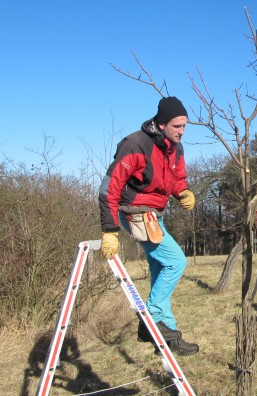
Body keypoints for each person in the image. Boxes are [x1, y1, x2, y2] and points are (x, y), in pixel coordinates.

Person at [99, 96, 199, 356]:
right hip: (135, 213)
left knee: (160, 272)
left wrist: (183, 192)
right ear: (162, 123)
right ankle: (150, 321)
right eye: (177, 126)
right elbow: (109, 189)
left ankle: (167, 337)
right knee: (176, 262)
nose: (182, 131)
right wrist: (110, 231)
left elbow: (176, 178)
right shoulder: (136, 144)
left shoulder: (175, 148)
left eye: (185, 126)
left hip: (156, 215)